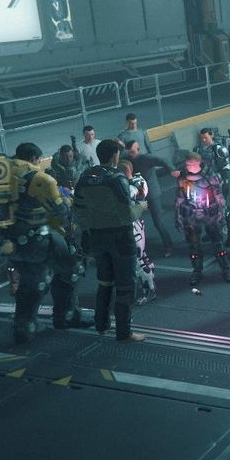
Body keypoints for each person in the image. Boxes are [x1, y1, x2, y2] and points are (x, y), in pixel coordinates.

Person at [7, 143, 85, 342]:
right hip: (37, 237)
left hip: (11, 239)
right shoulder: (39, 179)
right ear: (34, 158)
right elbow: (60, 211)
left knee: (30, 281)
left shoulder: (3, 175)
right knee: (70, 270)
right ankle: (66, 316)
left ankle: (23, 327)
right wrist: (67, 200)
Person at [73, 139, 147, 343]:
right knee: (125, 285)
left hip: (97, 237)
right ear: (115, 155)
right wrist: (141, 206)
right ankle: (124, 332)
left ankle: (101, 323)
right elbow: (127, 214)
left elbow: (78, 210)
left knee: (104, 281)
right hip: (120, 238)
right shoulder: (116, 178)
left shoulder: (85, 177)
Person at [175, 151, 230, 292]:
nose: (188, 166)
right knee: (193, 246)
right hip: (191, 214)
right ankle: (197, 271)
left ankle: (225, 269)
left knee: (218, 244)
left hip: (210, 213)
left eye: (191, 164)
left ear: (198, 163)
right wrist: (178, 217)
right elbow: (179, 198)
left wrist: (222, 216)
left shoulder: (211, 176)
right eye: (187, 164)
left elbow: (219, 197)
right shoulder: (183, 177)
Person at [124, 140, 176, 255]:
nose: (130, 155)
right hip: (138, 196)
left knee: (158, 221)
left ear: (138, 150)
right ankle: (138, 247)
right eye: (129, 152)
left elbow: (163, 160)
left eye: (132, 152)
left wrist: (171, 169)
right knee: (135, 222)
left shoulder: (145, 158)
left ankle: (169, 246)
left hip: (152, 195)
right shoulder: (127, 159)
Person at [118, 159, 158, 305]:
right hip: (136, 223)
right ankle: (151, 283)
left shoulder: (133, 185)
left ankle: (150, 291)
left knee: (138, 261)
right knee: (142, 257)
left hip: (133, 225)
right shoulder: (137, 181)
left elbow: (129, 197)